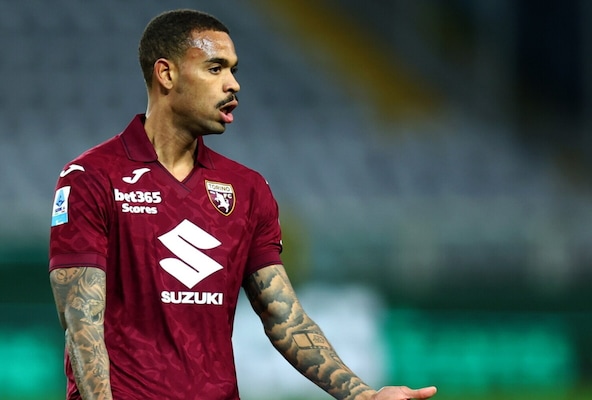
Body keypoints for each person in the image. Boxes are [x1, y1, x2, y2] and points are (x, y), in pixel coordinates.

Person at [48, 8, 437, 400]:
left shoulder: (247, 189)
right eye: (215, 68)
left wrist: (363, 395)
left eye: (233, 70)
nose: (233, 84)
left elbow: (285, 319)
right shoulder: (91, 178)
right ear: (166, 74)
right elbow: (82, 325)